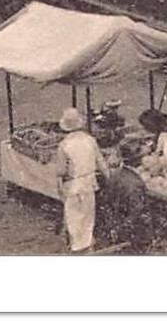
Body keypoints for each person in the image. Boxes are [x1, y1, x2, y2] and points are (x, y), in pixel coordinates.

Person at [52, 107, 109, 253]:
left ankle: (76, 246)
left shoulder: (64, 145)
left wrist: (59, 187)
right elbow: (101, 161)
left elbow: (61, 171)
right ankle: (87, 244)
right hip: (89, 183)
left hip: (73, 184)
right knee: (88, 216)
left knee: (73, 217)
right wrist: (108, 176)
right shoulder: (90, 140)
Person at [99, 140, 156, 252]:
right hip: (134, 235)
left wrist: (115, 228)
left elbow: (108, 203)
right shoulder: (136, 183)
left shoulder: (116, 176)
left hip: (120, 228)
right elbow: (137, 212)